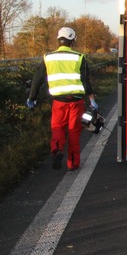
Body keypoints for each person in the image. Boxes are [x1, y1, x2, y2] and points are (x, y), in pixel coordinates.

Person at [27, 27, 98, 171]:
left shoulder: (48, 57)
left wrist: (31, 98)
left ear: (59, 40)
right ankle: (72, 163)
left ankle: (57, 150)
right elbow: (85, 80)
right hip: (76, 102)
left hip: (58, 102)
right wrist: (92, 99)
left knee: (57, 128)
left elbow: (37, 79)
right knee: (74, 131)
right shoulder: (79, 57)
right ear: (72, 41)